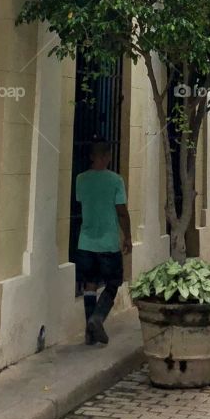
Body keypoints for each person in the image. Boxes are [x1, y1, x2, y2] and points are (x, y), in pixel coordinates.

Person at [75, 139, 131, 345]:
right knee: (113, 282)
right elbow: (122, 212)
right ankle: (98, 317)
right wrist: (128, 236)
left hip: (86, 241)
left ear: (91, 156)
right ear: (108, 156)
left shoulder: (80, 179)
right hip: (108, 243)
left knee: (89, 284)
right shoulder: (115, 181)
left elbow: (81, 201)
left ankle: (89, 331)